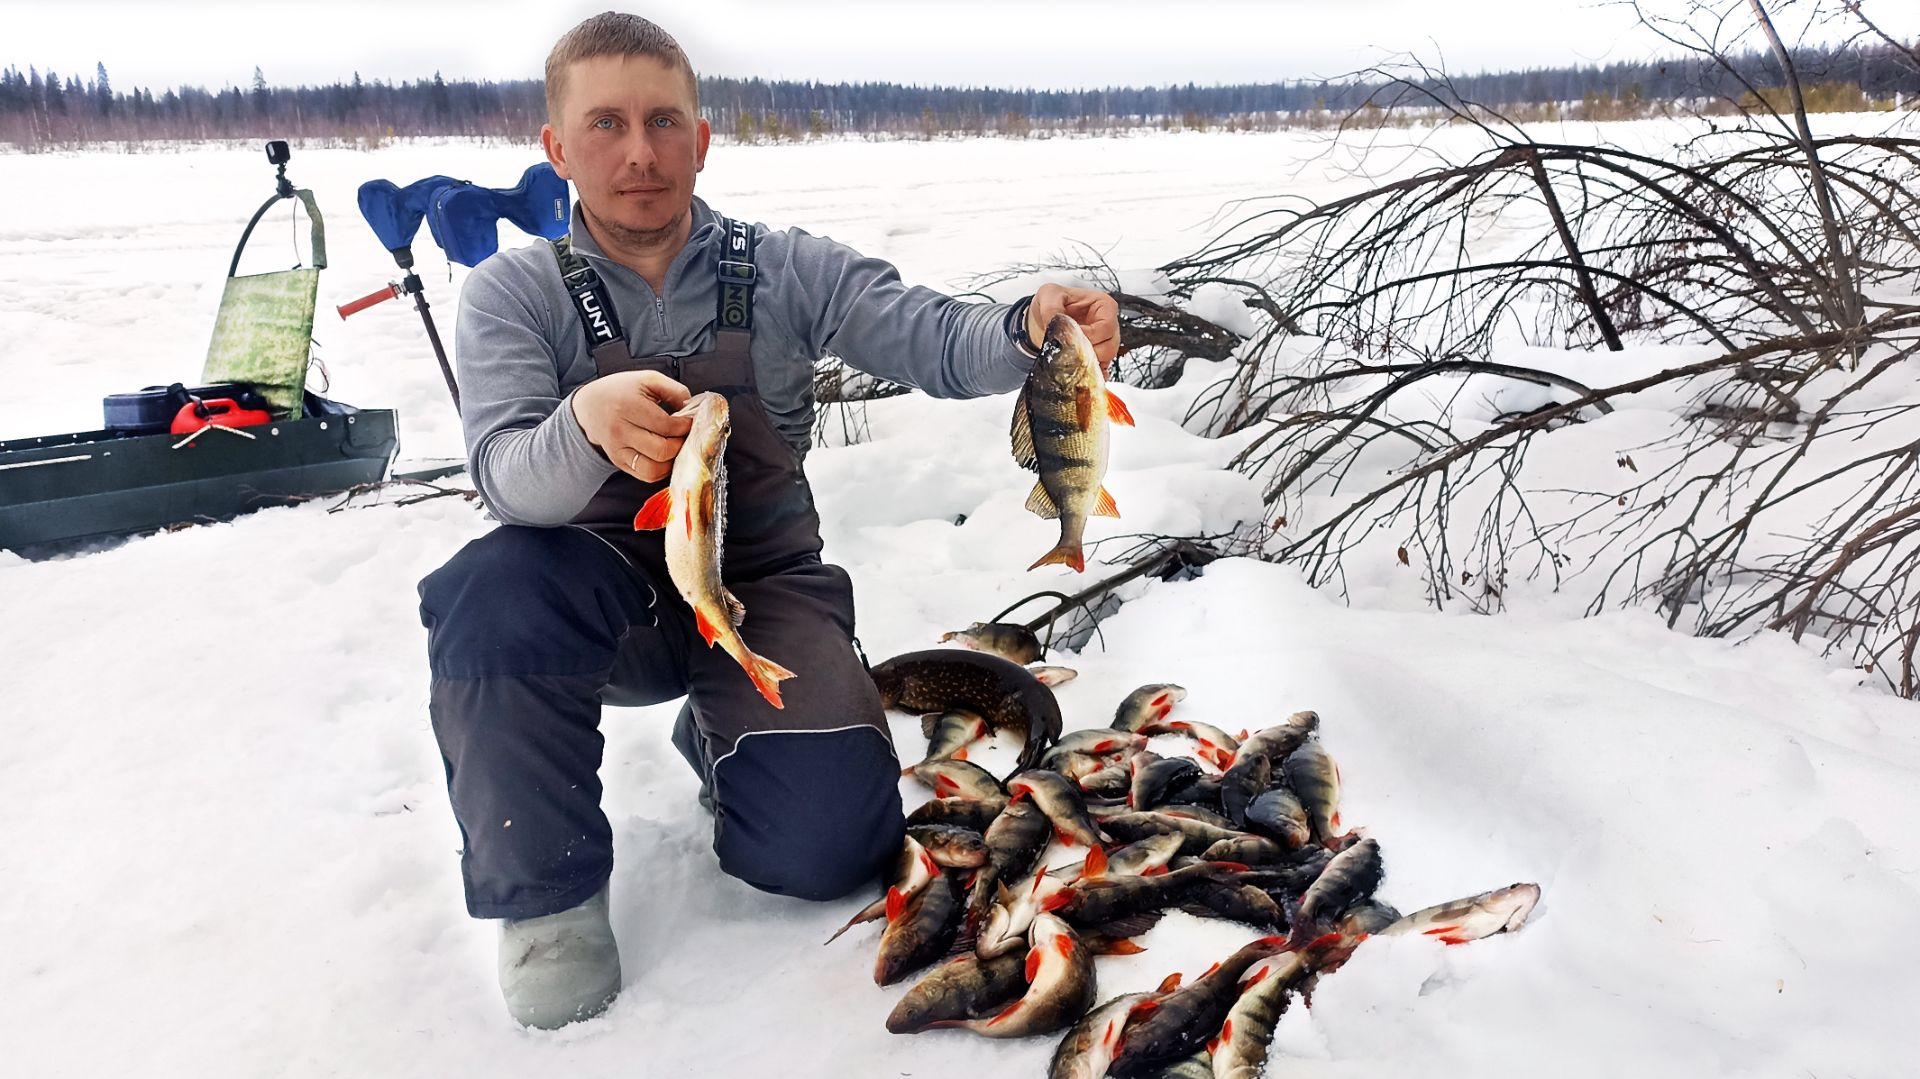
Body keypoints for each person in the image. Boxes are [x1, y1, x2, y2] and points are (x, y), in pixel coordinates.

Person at [416, 11, 1120, 1030]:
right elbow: (510, 481)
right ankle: (547, 904)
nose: (641, 151)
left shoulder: (786, 269)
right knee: (492, 593)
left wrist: (1029, 329)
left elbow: (932, 335)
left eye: (665, 121)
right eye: (606, 124)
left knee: (827, 851)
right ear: (558, 149)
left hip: (758, 587)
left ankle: (734, 740)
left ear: (702, 139)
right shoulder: (513, 295)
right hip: (591, 599)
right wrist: (581, 422)